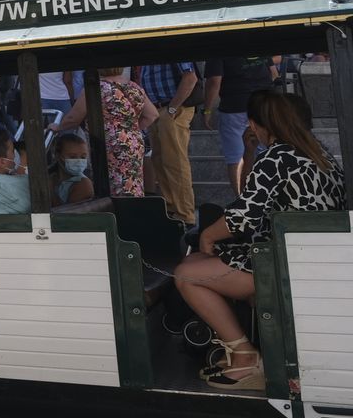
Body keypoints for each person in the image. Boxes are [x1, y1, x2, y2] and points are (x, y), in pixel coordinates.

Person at [174, 91, 346, 390]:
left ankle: (244, 356)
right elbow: (253, 198)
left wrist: (208, 235)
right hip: (307, 259)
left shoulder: (278, 157)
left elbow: (243, 216)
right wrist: (249, 154)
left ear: (255, 124)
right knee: (195, 263)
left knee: (186, 275)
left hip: (280, 265)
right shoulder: (320, 153)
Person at [56, 68, 158, 196]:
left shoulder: (97, 88)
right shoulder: (133, 86)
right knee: (132, 183)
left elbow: (73, 118)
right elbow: (152, 115)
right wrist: (130, 129)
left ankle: (115, 213)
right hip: (133, 143)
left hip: (108, 144)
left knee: (110, 185)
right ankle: (133, 210)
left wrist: (57, 127)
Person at [203, 55, 280, 196]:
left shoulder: (217, 45)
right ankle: (272, 197)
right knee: (268, 152)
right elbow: (274, 74)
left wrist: (207, 110)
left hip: (234, 106)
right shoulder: (255, 41)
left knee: (236, 157)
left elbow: (214, 81)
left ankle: (243, 200)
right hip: (263, 105)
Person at [138, 60, 199, 224]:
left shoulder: (172, 47)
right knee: (160, 161)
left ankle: (185, 214)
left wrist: (172, 109)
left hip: (172, 109)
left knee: (175, 162)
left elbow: (190, 77)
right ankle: (172, 209)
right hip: (158, 110)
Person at [49, 132, 93, 206]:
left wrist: (50, 189)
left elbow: (67, 215)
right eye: (72, 157)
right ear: (58, 156)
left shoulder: (84, 183)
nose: (79, 161)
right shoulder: (53, 177)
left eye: (83, 157)